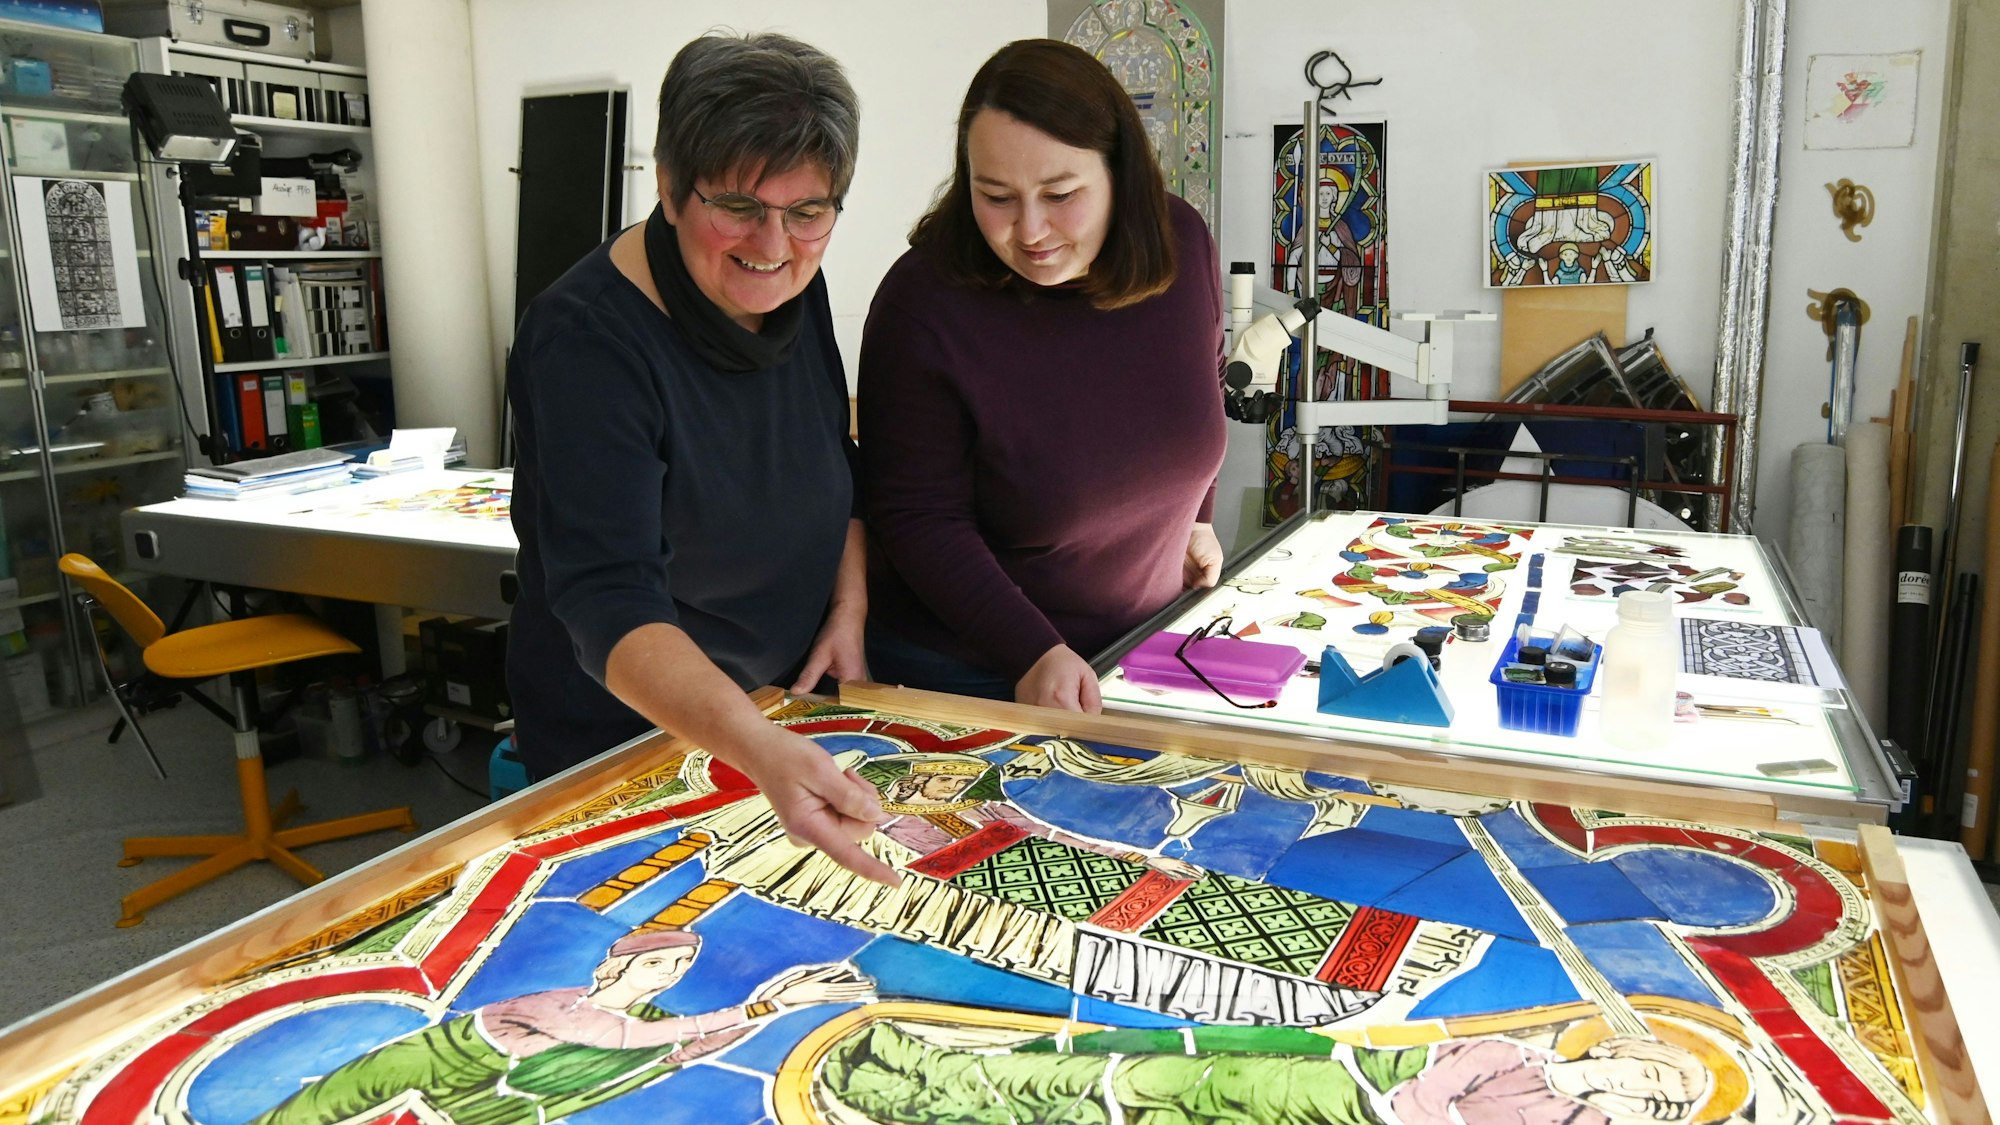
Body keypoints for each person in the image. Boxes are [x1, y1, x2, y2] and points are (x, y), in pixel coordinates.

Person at [506, 31, 894, 884]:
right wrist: (754, 743)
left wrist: (849, 603)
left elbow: (837, 455)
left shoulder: (795, 282)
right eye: (740, 207)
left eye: (808, 212)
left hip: (781, 710)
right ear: (671, 186)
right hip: (629, 735)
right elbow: (608, 597)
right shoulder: (585, 340)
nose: (775, 243)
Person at [858, 38, 1229, 713]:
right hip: (970, 665)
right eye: (995, 195)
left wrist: (1195, 518)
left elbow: (1199, 385)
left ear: (1120, 172)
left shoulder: (1182, 243)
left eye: (1060, 195)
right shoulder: (922, 306)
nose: (1029, 230)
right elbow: (917, 517)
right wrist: (1029, 650)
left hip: (1138, 643)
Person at [250, 930, 873, 1124]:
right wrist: (763, 1006)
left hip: (499, 1096)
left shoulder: (650, 1020)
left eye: (679, 965)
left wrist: (780, 1002)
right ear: (615, 962)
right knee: (307, 1117)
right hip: (429, 1061)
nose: (668, 974)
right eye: (657, 962)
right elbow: (629, 1040)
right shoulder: (566, 1004)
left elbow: (680, 1052)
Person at [821, 1019, 1713, 1125]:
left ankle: (904, 1092)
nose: (1643, 1096)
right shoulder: (1516, 1056)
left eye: (1661, 1105)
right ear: (1621, 1055)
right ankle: (915, 1062)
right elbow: (1425, 1093)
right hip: (1340, 1097)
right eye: (1651, 1079)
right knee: (1140, 1082)